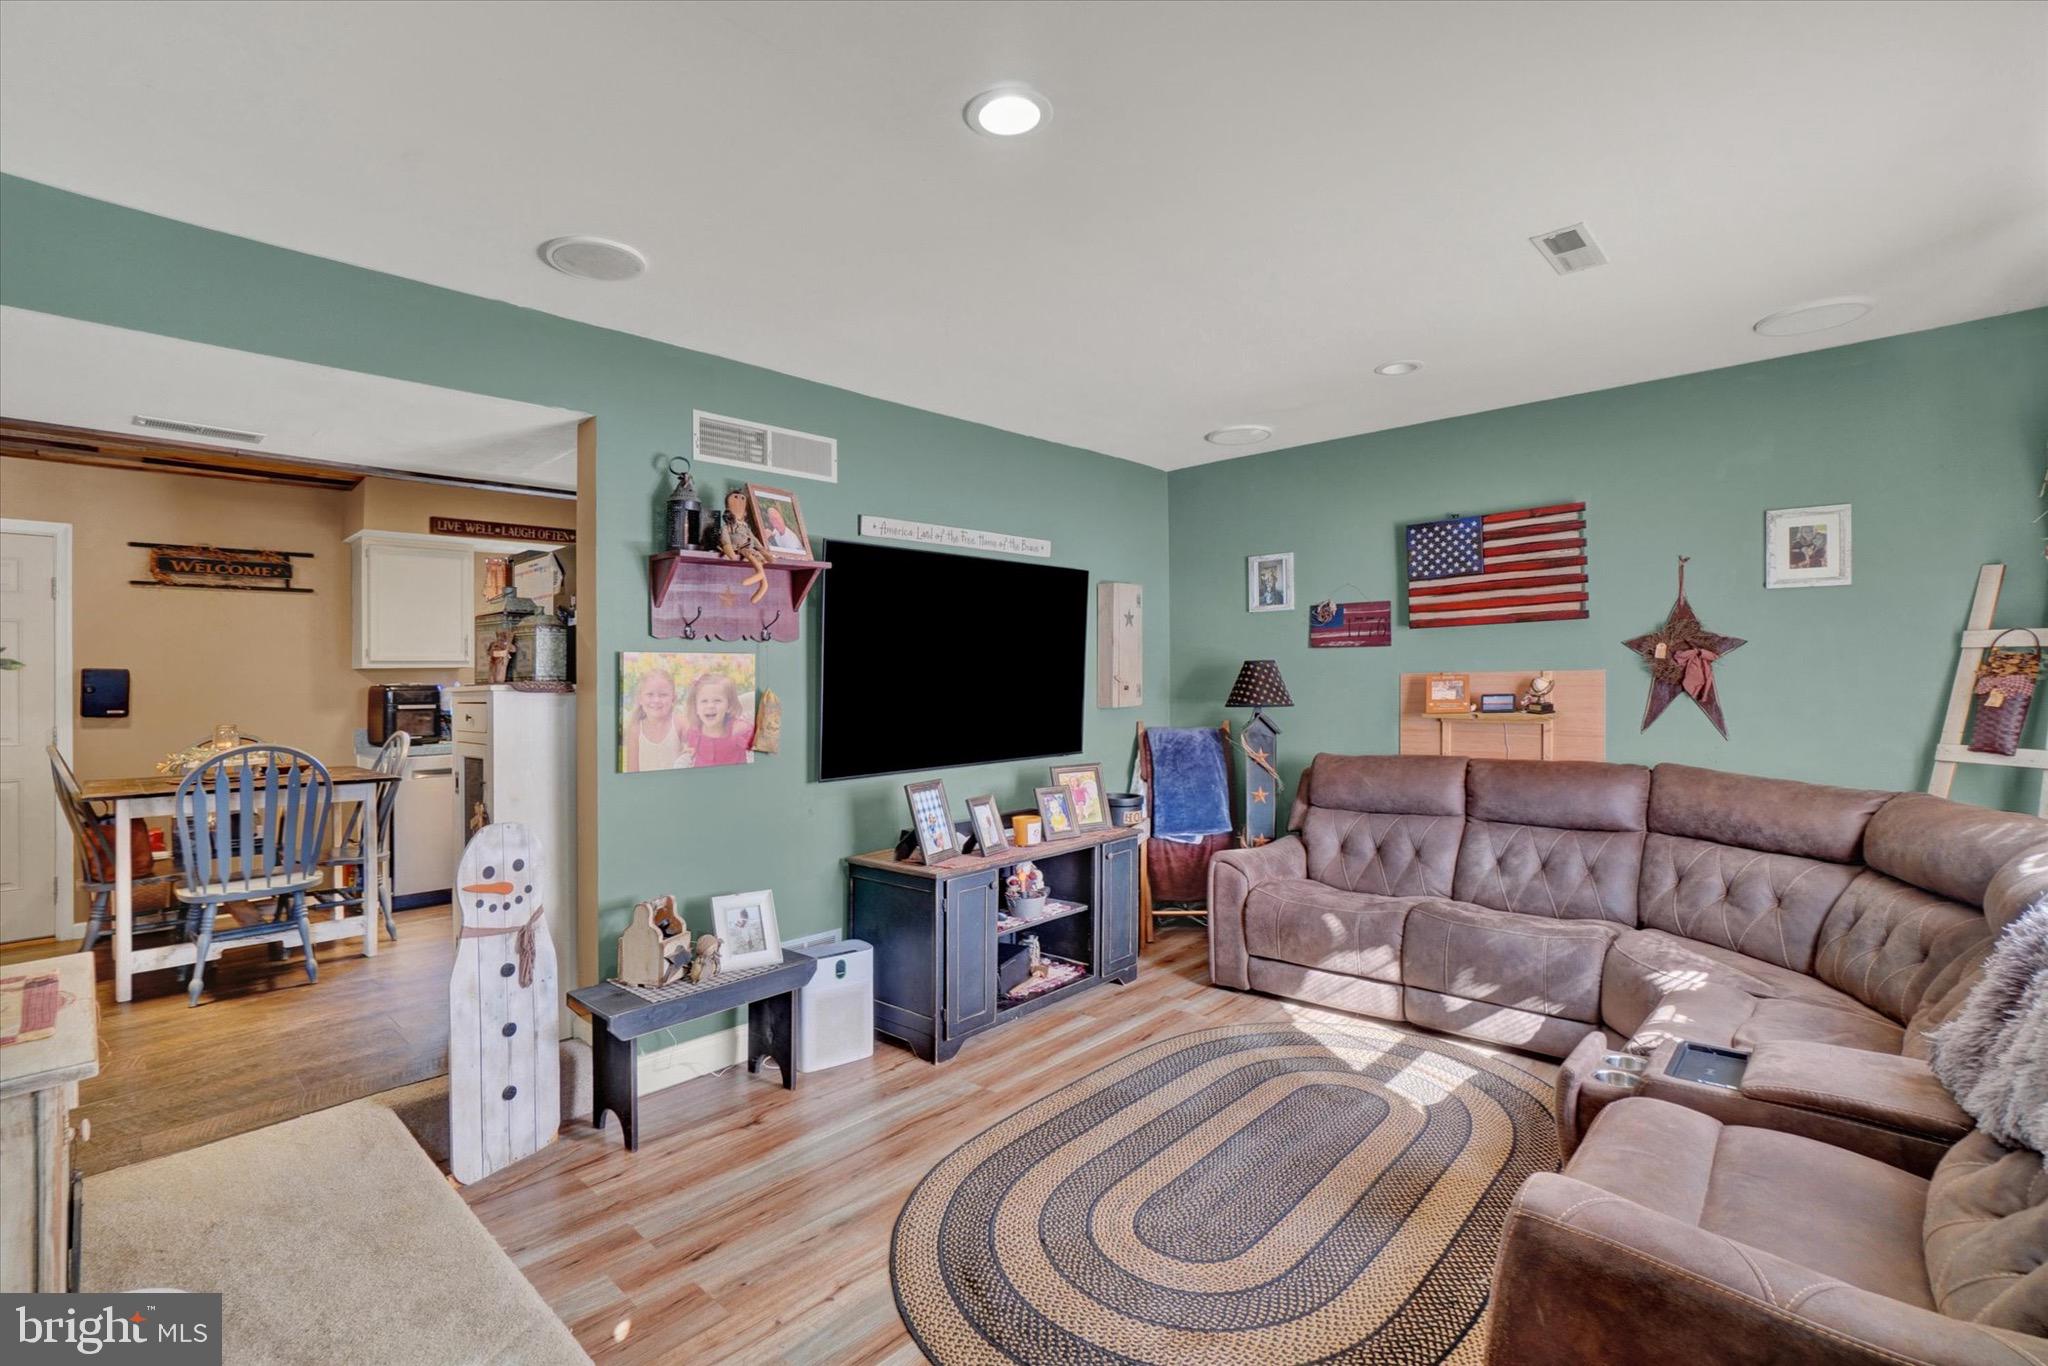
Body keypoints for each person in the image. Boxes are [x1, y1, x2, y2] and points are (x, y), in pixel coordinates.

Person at [680, 670, 754, 767]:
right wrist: (690, 749)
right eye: (704, 701)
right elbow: (691, 749)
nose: (710, 706)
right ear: (696, 707)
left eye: (717, 701)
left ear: (729, 706)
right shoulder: (694, 731)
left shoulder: (739, 730)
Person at [623, 666, 685, 772]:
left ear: (674, 698)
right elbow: (632, 771)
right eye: (650, 694)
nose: (656, 700)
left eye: (663, 695)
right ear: (640, 699)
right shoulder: (636, 730)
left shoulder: (680, 724)